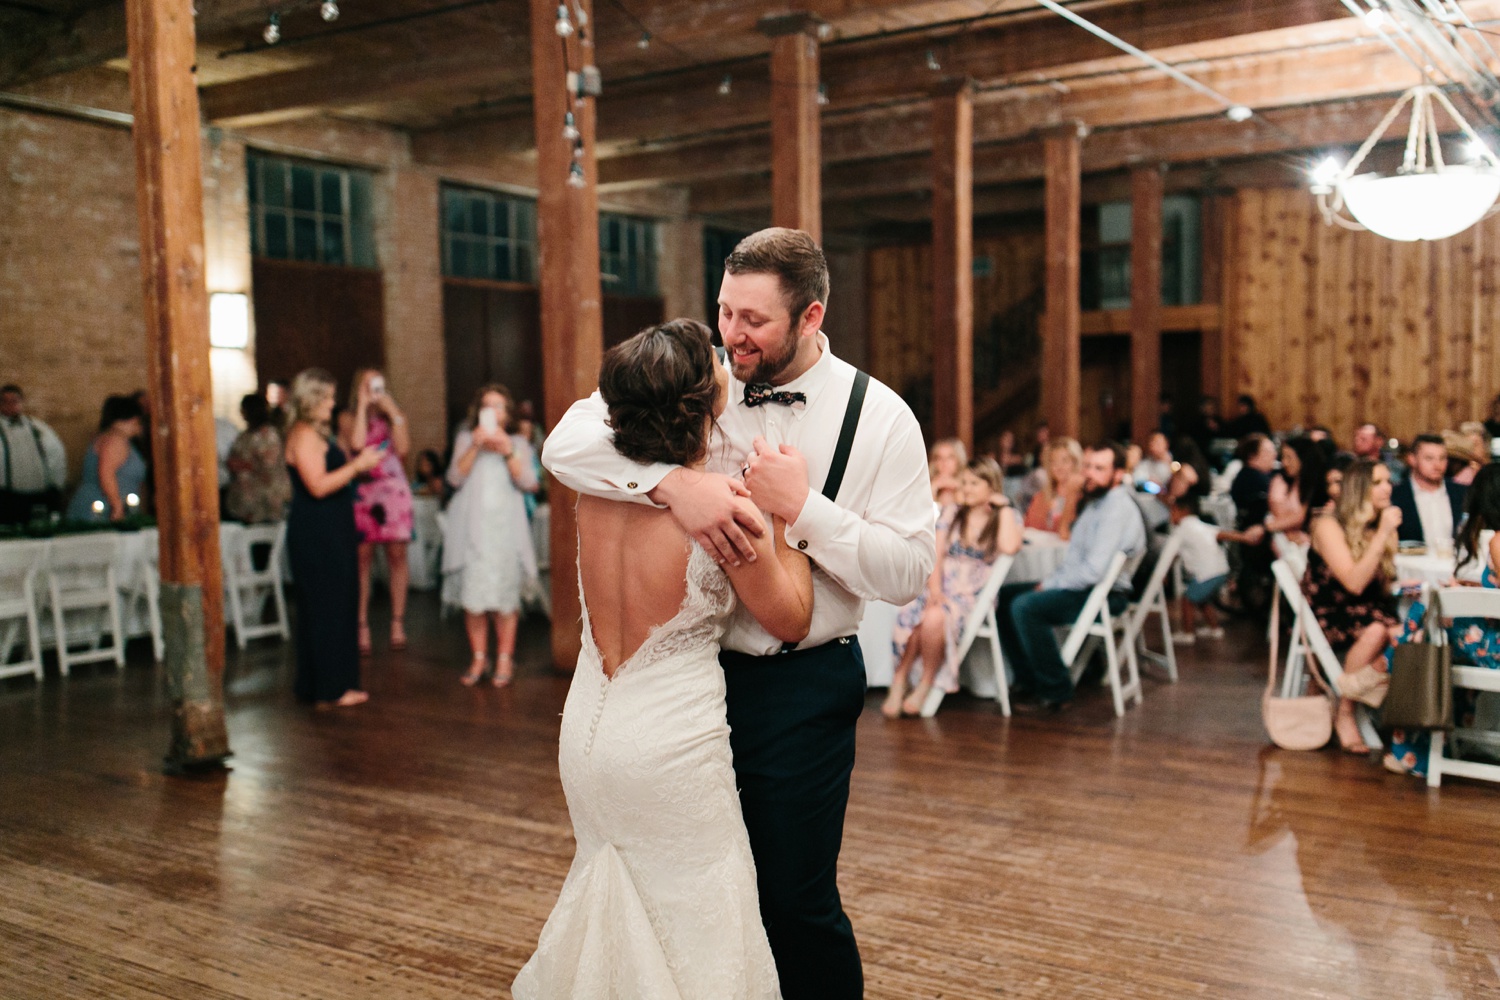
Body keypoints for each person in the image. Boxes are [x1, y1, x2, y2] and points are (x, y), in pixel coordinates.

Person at [542, 227, 934, 1000]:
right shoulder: (694, 377)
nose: (732, 335)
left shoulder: (882, 417)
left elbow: (909, 572)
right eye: (724, 312)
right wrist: (671, 484)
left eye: (753, 320)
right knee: (707, 897)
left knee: (793, 902)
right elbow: (566, 443)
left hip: (799, 685)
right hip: (691, 684)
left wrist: (808, 511)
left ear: (811, 316)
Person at [513, 320, 812, 1000]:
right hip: (668, 748)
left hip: (588, 727)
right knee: (700, 927)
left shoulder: (600, 491)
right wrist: (786, 516)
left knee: (617, 905)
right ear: (706, 406)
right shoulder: (724, 508)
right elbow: (789, 618)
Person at [995, 442, 1147, 713]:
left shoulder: (1116, 508)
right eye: (1087, 466)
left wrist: (1049, 585)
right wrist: (1052, 581)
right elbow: (1075, 559)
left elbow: (1092, 571)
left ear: (1117, 474)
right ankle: (1029, 679)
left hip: (1106, 596)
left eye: (1099, 468)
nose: (1089, 473)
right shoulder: (1096, 503)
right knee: (1005, 597)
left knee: (1025, 606)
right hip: (1087, 589)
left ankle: (1055, 690)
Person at [884, 459, 1022, 717]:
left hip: (972, 595)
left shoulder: (1006, 516)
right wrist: (935, 591)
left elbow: (1011, 546)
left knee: (934, 618)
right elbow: (935, 555)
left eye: (974, 483)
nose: (966, 488)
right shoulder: (952, 512)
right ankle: (900, 679)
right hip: (940, 586)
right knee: (918, 611)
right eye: (964, 482)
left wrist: (1003, 508)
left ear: (991, 486)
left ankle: (925, 683)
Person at [283, 369, 382, 709]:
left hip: (327, 528)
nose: (331, 403)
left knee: (331, 603)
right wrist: (358, 467)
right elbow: (318, 485)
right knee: (328, 606)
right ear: (310, 400)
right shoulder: (305, 434)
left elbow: (353, 445)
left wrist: (363, 406)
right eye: (326, 397)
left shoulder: (315, 432)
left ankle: (319, 684)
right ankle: (330, 687)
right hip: (318, 531)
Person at [1303, 459, 1403, 754]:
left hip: (1366, 610)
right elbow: (1354, 584)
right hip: (1330, 613)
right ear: (1358, 490)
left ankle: (1364, 695)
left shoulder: (1374, 523)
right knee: (1378, 632)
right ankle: (1345, 712)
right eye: (1377, 483)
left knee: (1408, 632)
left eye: (1388, 481)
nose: (1387, 488)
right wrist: (1383, 534)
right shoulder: (1327, 525)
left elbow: (1381, 585)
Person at [443, 384, 539, 687]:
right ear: (479, 412)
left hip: (506, 533)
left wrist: (507, 450)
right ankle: (479, 657)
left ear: (507, 413)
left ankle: (504, 659)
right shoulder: (465, 439)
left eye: (499, 406)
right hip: (473, 532)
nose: (494, 411)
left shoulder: (518, 443)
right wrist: (474, 446)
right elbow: (454, 479)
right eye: (488, 406)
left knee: (505, 601)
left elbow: (530, 483)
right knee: (474, 601)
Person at [339, 369, 416, 654]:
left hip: (393, 491)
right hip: (364, 491)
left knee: (397, 556)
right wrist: (362, 405)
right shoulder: (347, 418)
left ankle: (397, 622)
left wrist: (391, 408)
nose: (372, 390)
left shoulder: (394, 416)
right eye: (366, 385)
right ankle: (361, 625)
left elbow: (405, 448)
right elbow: (358, 445)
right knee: (362, 560)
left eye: (377, 384)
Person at [1169, 494, 1264, 643]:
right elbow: (1220, 534)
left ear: (1181, 511)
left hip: (1206, 573)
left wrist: (1163, 572)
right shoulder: (1200, 525)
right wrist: (1244, 537)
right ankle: (1214, 629)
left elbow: (1171, 553)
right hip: (1220, 570)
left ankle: (1187, 634)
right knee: (1202, 599)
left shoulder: (1182, 529)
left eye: (1172, 511)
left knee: (1187, 599)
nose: (1170, 516)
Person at [66, 395, 147, 524]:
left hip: (101, 506)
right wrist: (117, 506)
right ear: (132, 419)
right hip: (103, 510)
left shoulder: (110, 437)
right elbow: (106, 473)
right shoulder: (116, 440)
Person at [0, 384, 67, 526]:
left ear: (21, 402)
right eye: (5, 401)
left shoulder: (38, 427)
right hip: (7, 498)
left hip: (38, 496)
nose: (10, 405)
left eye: (14, 401)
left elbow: (56, 456)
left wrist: (56, 485)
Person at [1391, 433, 1466, 549]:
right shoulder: (1396, 496)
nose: (1437, 465)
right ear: (1412, 459)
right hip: (1409, 564)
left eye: (1442, 458)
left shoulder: (1462, 493)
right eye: (1429, 458)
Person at [225, 394, 291, 524]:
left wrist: (243, 465)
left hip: (264, 498)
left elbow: (269, 465)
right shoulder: (245, 435)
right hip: (244, 498)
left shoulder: (268, 434)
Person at [1265, 436, 1328, 551]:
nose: (1284, 462)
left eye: (1289, 457)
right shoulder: (1286, 480)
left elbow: (1300, 517)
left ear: (1304, 458)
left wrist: (1266, 527)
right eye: (1283, 457)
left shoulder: (1317, 483)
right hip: (1288, 539)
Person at [1024, 437, 1084, 537]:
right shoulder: (1040, 497)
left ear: (1075, 462)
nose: (1059, 466)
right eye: (1053, 462)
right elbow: (1028, 529)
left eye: (1065, 461)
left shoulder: (1084, 497)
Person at [927, 437, 966, 505]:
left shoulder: (968, 486)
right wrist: (933, 488)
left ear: (959, 460)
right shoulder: (926, 485)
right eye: (939, 458)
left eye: (950, 457)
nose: (944, 462)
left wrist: (958, 487)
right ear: (934, 462)